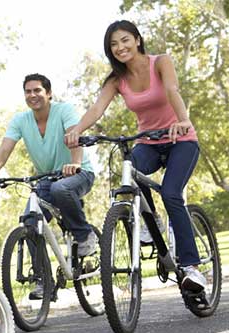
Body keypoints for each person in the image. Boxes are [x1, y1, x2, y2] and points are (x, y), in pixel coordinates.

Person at [64, 20, 205, 292]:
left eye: (125, 40)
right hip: (149, 142)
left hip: (181, 139)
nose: (120, 47)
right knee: (130, 167)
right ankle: (152, 224)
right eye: (114, 44)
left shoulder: (161, 62)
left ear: (137, 40)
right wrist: (77, 130)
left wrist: (184, 120)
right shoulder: (117, 80)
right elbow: (97, 109)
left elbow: (172, 90)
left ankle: (191, 267)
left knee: (172, 193)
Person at [0, 73, 96, 299]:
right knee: (30, 222)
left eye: (37, 90)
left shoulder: (64, 111)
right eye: (28, 91)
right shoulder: (20, 121)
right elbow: (5, 149)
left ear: (49, 93)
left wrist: (74, 163)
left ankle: (84, 235)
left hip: (79, 173)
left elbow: (74, 135)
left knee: (60, 189)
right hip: (47, 177)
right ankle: (45, 282)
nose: (32, 95)